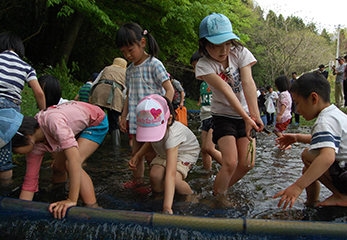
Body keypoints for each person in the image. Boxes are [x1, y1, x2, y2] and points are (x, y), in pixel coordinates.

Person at [195, 13, 262, 196]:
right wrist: (247, 117)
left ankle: (216, 191)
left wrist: (253, 116)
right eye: (217, 46)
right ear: (205, 44)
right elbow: (226, 89)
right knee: (230, 162)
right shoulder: (204, 65)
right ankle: (220, 199)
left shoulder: (240, 53)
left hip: (246, 115)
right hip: (223, 115)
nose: (224, 50)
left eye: (227, 43)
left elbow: (248, 82)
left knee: (247, 163)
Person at [11, 101, 108, 219]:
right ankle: (58, 194)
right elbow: (29, 183)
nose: (14, 153)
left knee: (70, 163)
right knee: (57, 168)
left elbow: (74, 160)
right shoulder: (34, 145)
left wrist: (71, 200)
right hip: (71, 126)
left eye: (14, 149)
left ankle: (93, 207)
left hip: (95, 122)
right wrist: (21, 212)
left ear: (26, 137)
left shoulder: (54, 123)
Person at [274, 72, 347, 210]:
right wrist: (297, 137)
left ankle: (341, 196)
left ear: (313, 98)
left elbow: (327, 157)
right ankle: (311, 203)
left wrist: (297, 186)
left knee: (308, 155)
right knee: (307, 169)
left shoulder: (324, 122)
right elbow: (327, 141)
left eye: (297, 103)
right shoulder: (334, 114)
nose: (298, 109)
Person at [115, 22, 174, 180]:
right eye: (123, 52)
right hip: (136, 120)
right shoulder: (129, 70)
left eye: (130, 50)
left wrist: (163, 113)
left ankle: (156, 184)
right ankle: (138, 183)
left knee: (151, 156)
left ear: (142, 43)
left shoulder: (154, 64)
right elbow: (129, 94)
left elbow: (170, 89)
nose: (127, 55)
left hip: (153, 121)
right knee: (136, 154)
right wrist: (124, 115)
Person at [128, 94, 200, 214]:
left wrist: (167, 208)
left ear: (170, 119)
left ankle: (190, 195)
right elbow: (150, 142)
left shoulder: (173, 134)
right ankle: (161, 195)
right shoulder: (157, 125)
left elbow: (171, 174)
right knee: (155, 175)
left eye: (154, 131)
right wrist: (138, 155)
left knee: (175, 180)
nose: (152, 134)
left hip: (185, 152)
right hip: (164, 151)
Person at [0, 32, 46, 181]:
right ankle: (5, 193)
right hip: (10, 110)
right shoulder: (25, 66)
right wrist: (43, 113)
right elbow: (39, 92)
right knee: (4, 156)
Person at [191, 50, 222, 171]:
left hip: (215, 116)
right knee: (204, 149)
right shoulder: (203, 83)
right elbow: (203, 95)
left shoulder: (216, 78)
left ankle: (230, 167)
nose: (195, 71)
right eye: (193, 68)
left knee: (209, 148)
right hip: (205, 117)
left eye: (196, 67)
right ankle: (207, 174)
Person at [89, 58, 127, 147]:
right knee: (113, 122)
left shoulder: (106, 68)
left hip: (99, 91)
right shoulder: (126, 73)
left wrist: (91, 95)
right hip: (116, 94)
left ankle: (91, 143)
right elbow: (125, 91)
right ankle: (116, 147)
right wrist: (122, 107)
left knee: (95, 119)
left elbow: (95, 83)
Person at [268, 75, 292, 148]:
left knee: (277, 131)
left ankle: (286, 144)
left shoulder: (283, 94)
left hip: (283, 117)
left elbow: (284, 104)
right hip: (287, 116)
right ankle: (283, 143)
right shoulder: (287, 93)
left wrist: (280, 115)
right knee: (281, 131)